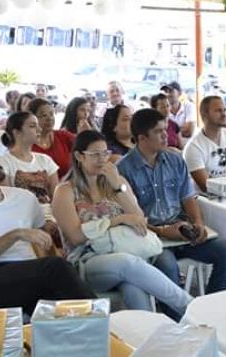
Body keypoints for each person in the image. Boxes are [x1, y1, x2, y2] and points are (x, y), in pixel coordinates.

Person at [0, 137, 95, 316]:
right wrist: (14, 235)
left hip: (32, 275)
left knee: (60, 301)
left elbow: (46, 244)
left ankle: (91, 330)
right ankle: (103, 323)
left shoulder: (23, 198)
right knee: (55, 270)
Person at [52, 131, 193, 320]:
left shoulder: (118, 184)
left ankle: (148, 337)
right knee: (126, 263)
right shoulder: (65, 191)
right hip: (87, 261)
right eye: (95, 155)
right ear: (79, 156)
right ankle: (189, 306)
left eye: (105, 153)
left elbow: (139, 218)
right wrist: (117, 220)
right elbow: (76, 237)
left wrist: (117, 185)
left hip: (126, 251)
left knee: (133, 287)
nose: (102, 159)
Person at [117, 109, 226, 308]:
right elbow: (129, 218)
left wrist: (198, 223)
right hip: (149, 236)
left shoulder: (175, 160)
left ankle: (212, 308)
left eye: (166, 130)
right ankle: (176, 323)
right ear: (141, 138)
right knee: (166, 265)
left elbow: (188, 197)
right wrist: (162, 231)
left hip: (181, 229)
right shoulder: (123, 170)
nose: (166, 135)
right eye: (158, 132)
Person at [0, 112, 59, 208]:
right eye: (32, 126)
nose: (39, 129)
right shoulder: (2, 162)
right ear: (16, 132)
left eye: (38, 126)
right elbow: (7, 200)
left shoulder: (45, 160)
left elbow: (56, 196)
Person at [29, 97, 75, 179]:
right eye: (44, 115)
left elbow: (85, 146)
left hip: (66, 187)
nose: (49, 118)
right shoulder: (26, 143)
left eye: (51, 114)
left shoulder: (63, 136)